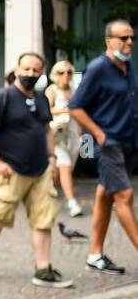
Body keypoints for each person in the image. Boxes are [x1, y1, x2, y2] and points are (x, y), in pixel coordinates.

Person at [0, 53, 73, 288]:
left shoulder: (41, 98)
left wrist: (51, 157)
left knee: (43, 220)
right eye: (26, 69)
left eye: (36, 71)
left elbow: (46, 129)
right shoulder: (3, 97)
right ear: (17, 69)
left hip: (40, 170)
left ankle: (43, 270)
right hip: (10, 171)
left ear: (41, 73)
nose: (30, 74)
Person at [69, 19, 138, 275]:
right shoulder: (98, 68)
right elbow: (75, 107)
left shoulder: (127, 68)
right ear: (109, 41)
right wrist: (99, 135)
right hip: (110, 145)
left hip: (128, 142)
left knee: (104, 195)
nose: (129, 42)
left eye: (132, 38)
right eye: (123, 38)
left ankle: (94, 255)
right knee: (125, 195)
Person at [45, 60, 84, 217]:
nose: (66, 75)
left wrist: (81, 128)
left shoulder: (75, 90)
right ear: (55, 75)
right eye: (61, 72)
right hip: (57, 136)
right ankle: (72, 202)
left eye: (69, 72)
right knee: (65, 167)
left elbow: (80, 110)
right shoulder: (52, 90)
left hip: (73, 134)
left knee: (61, 171)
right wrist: (61, 110)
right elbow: (46, 112)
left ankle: (48, 197)